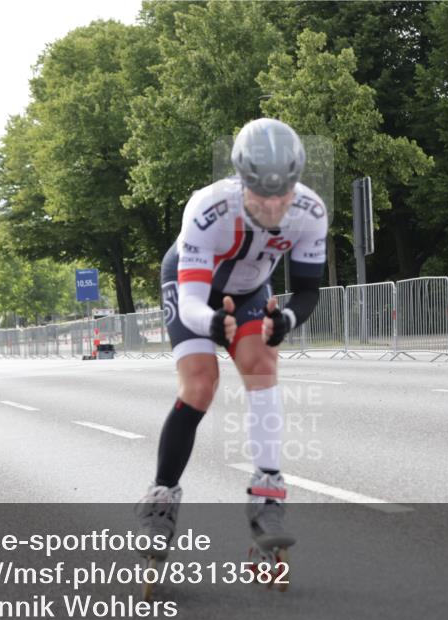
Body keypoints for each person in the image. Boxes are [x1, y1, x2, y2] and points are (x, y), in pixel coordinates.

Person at [135, 118, 328, 572]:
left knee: (261, 366)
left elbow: (307, 290)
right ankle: (159, 500)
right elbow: (192, 304)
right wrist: (213, 322)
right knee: (201, 382)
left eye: (283, 194)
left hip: (250, 290)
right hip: (192, 288)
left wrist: (286, 320)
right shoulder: (207, 208)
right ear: (241, 181)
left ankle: (267, 497)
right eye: (261, 195)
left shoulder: (311, 211)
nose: (273, 205)